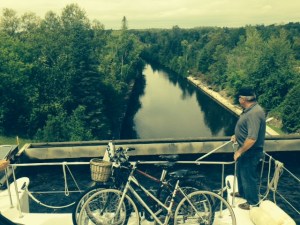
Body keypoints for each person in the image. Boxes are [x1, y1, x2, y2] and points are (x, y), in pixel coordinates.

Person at [231, 87, 266, 210]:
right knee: (241, 173)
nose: (238, 99)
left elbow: (252, 138)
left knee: (248, 177)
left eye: (239, 97)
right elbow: (246, 129)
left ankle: (252, 202)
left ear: (243, 99)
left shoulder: (254, 113)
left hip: (251, 152)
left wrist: (239, 151)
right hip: (246, 150)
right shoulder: (249, 110)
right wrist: (237, 135)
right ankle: (242, 193)